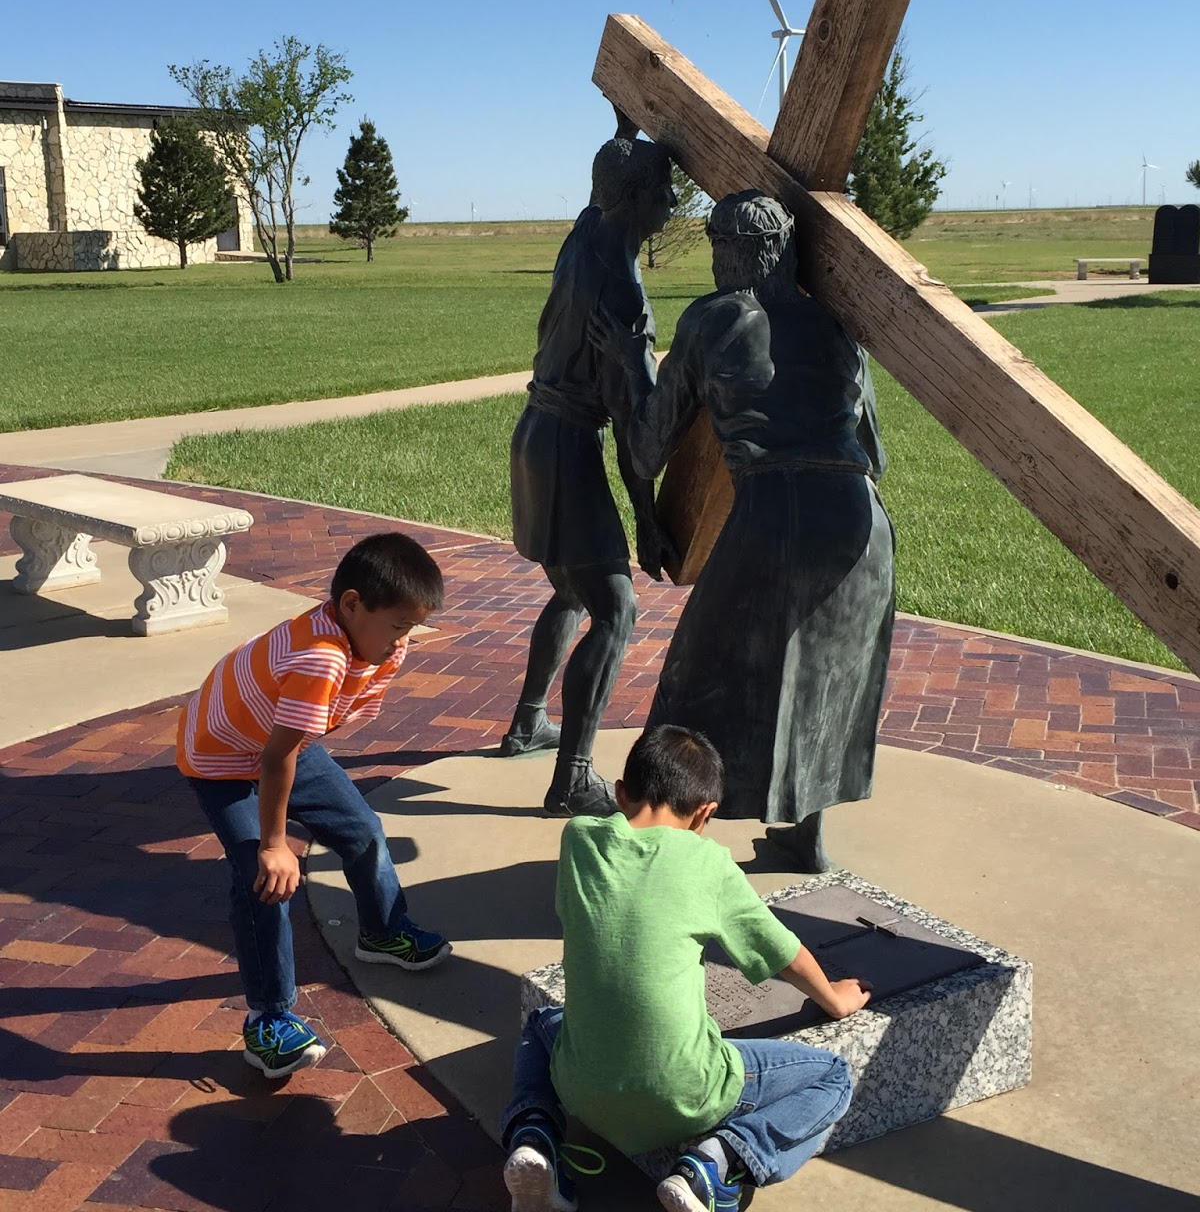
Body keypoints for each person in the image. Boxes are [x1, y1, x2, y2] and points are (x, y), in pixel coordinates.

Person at [591, 191, 895, 871]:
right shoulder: (837, 326)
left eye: (716, 246)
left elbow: (645, 447)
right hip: (862, 521)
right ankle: (803, 835)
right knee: (823, 677)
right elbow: (875, 451)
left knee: (694, 682)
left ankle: (652, 842)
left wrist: (625, 362)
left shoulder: (714, 318)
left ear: (733, 251)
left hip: (777, 512)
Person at [500, 726, 867, 1212]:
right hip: (686, 1096)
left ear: (620, 793)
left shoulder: (579, 840)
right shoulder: (708, 863)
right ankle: (714, 1165)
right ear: (705, 813)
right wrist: (835, 999)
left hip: (581, 1089)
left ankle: (535, 1135)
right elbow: (784, 953)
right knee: (835, 1077)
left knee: (541, 1023)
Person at [177, 531, 452, 1077]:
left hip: (281, 743)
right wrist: (276, 844)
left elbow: (292, 742)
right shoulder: (319, 657)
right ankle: (269, 1021)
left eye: (412, 628)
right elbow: (276, 760)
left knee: (363, 830)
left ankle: (382, 931)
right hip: (224, 760)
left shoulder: (362, 638)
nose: (403, 642)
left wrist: (388, 648)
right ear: (351, 604)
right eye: (399, 626)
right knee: (265, 878)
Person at [501, 125, 676, 817]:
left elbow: (602, 184)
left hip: (534, 438)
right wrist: (648, 519)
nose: (671, 202)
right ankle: (573, 776)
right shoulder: (626, 302)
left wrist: (622, 127)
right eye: (662, 191)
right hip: (570, 449)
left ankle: (527, 722)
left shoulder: (584, 234)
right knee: (616, 606)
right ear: (634, 200)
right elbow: (637, 430)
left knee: (572, 591)